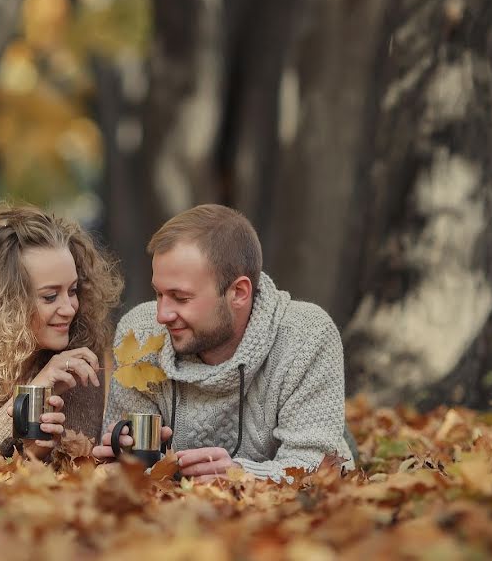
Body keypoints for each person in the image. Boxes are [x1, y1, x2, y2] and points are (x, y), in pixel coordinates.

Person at [92, 204, 353, 481]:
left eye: (180, 298)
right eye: (158, 294)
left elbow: (317, 466)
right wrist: (128, 459)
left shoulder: (306, 335)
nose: (162, 315)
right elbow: (133, 465)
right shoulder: (141, 333)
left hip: (305, 435)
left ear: (239, 293)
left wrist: (241, 473)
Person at [0, 203, 122, 460]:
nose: (70, 309)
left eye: (72, 291)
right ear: (7, 302)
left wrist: (38, 454)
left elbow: (79, 463)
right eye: (50, 297)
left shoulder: (82, 345)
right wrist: (31, 394)